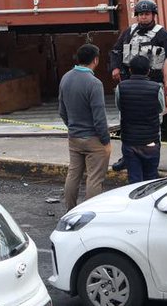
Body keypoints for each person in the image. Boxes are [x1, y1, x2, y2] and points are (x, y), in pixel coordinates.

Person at [58, 43, 111, 211]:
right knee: (94, 179)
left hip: (74, 137)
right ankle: (89, 214)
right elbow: (99, 117)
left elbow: (62, 110)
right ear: (95, 60)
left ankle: (70, 210)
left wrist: (71, 126)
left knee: (73, 175)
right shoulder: (94, 83)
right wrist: (106, 140)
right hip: (93, 139)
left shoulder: (65, 78)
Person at [109, 0, 167, 99]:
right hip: (129, 81)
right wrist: (115, 67)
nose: (143, 17)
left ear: (153, 15)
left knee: (153, 112)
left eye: (147, 14)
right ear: (137, 16)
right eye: (141, 14)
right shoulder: (129, 31)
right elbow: (116, 50)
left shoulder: (163, 34)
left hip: (153, 81)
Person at [114, 55, 164, 184]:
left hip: (129, 141)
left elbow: (120, 107)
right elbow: (160, 109)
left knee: (134, 179)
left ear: (130, 70)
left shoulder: (121, 87)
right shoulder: (157, 88)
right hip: (151, 140)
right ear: (148, 70)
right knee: (151, 179)